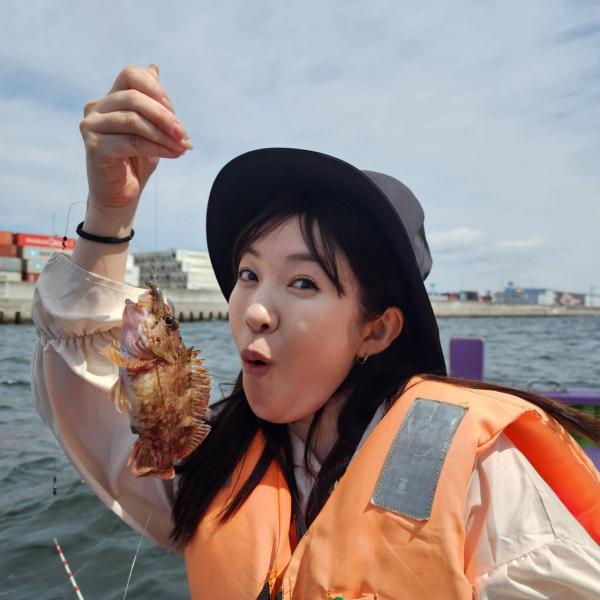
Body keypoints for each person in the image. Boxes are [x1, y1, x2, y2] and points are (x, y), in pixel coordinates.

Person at [32, 64, 600, 600]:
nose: (255, 310)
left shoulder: (483, 471)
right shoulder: (215, 456)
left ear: (376, 331)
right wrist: (109, 212)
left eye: (303, 282)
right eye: (248, 274)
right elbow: (92, 403)